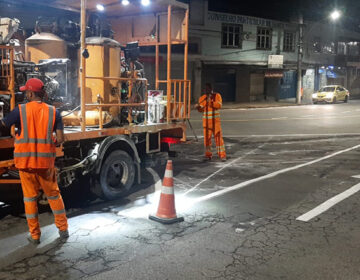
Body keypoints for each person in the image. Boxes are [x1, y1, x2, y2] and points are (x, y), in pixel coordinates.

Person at [0, 78, 69, 244]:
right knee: (54, 195)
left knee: (30, 198)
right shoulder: (54, 112)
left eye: (26, 92)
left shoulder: (20, 110)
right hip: (45, 164)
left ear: (31, 93)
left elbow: (3, 125)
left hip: (26, 164)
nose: (25, 94)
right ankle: (63, 229)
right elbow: (59, 139)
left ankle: (35, 235)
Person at [195, 83, 227, 161]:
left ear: (211, 89)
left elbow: (219, 105)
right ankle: (208, 155)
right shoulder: (202, 98)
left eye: (208, 89)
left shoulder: (217, 96)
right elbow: (201, 110)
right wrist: (198, 107)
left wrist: (210, 102)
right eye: (205, 89)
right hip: (206, 123)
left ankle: (222, 155)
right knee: (207, 140)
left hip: (215, 122)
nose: (206, 90)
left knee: (218, 138)